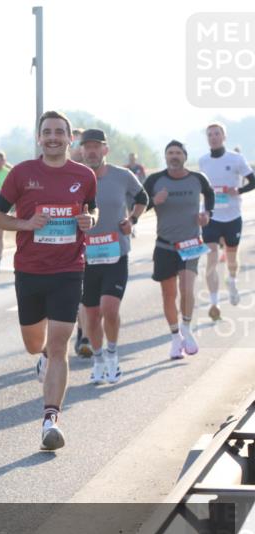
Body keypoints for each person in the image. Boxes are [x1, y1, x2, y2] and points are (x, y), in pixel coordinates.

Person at [0, 111, 97, 451]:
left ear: (70, 138)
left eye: (59, 132)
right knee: (35, 344)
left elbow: (91, 210)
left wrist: (88, 219)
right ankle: (42, 359)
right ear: (40, 138)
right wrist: (26, 224)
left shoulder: (84, 175)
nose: (53, 137)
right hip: (30, 271)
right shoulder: (22, 174)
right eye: (47, 132)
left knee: (59, 345)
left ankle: (50, 420)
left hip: (69, 269)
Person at [79, 129, 148, 384]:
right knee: (92, 314)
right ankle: (97, 359)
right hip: (86, 257)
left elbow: (142, 197)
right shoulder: (75, 176)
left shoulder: (122, 175)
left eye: (97, 147)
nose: (92, 151)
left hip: (116, 253)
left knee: (109, 308)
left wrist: (132, 220)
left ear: (105, 150)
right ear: (82, 150)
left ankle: (112, 355)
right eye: (88, 147)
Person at [143, 141, 215, 359]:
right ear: (165, 157)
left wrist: (207, 214)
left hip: (191, 244)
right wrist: (154, 201)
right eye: (170, 153)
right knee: (168, 294)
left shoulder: (198, 179)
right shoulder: (155, 180)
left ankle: (186, 327)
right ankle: (175, 338)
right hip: (164, 245)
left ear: (185, 156)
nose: (174, 156)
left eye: (178, 153)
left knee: (187, 288)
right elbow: (138, 205)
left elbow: (209, 195)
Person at [198, 122, 254, 320]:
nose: (213, 137)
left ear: (224, 136)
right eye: (210, 134)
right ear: (207, 139)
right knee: (211, 259)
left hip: (232, 216)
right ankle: (214, 303)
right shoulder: (203, 161)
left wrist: (238, 190)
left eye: (217, 133)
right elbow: (202, 189)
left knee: (231, 258)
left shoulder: (236, 158)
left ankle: (232, 280)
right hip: (211, 217)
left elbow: (253, 180)